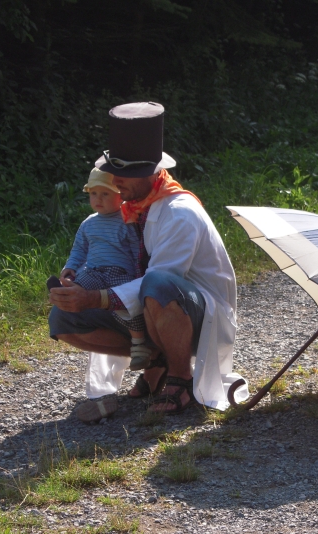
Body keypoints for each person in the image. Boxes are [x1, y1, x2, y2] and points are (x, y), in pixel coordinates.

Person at [48, 101, 246, 421]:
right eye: (114, 171)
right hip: (152, 311)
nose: (115, 180)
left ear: (149, 172)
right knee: (63, 319)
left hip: (200, 317)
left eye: (125, 174)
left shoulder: (179, 212)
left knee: (157, 283)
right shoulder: (133, 207)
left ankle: (181, 378)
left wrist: (96, 297)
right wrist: (77, 285)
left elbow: (159, 280)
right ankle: (157, 360)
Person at [57, 166, 151, 371]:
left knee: (128, 304)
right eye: (93, 194)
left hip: (120, 273)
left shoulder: (127, 220)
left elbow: (137, 250)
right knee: (75, 288)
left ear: (120, 196)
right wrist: (70, 267)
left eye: (105, 194)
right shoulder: (88, 224)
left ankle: (138, 344)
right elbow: (79, 250)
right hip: (94, 271)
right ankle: (65, 297)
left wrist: (137, 276)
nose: (98, 199)